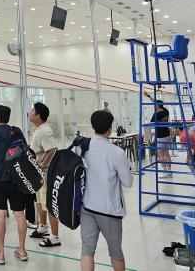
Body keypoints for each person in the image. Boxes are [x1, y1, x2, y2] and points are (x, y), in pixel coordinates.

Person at [81, 111, 133, 271]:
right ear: (110, 129)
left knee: (87, 251)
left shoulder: (82, 147)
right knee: (116, 252)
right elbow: (128, 182)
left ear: (93, 126)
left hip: (87, 207)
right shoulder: (116, 153)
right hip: (109, 210)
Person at [0, 105, 28, 265]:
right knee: (20, 214)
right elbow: (25, 153)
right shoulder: (16, 132)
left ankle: (1, 254)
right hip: (16, 180)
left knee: (0, 215)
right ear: (8, 117)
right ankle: (22, 251)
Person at [28, 102, 60, 248]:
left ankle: (55, 237)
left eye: (32, 110)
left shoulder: (45, 131)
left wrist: (40, 165)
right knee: (39, 201)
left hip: (46, 174)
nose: (30, 112)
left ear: (38, 116)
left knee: (49, 204)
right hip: (39, 174)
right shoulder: (39, 129)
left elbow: (52, 149)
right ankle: (42, 227)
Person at [150, 100, 173, 179]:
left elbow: (152, 123)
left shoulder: (156, 114)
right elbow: (159, 104)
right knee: (167, 154)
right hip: (167, 134)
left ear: (157, 106)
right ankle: (169, 172)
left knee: (160, 155)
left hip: (160, 136)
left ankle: (165, 172)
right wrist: (149, 97)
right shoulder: (166, 111)